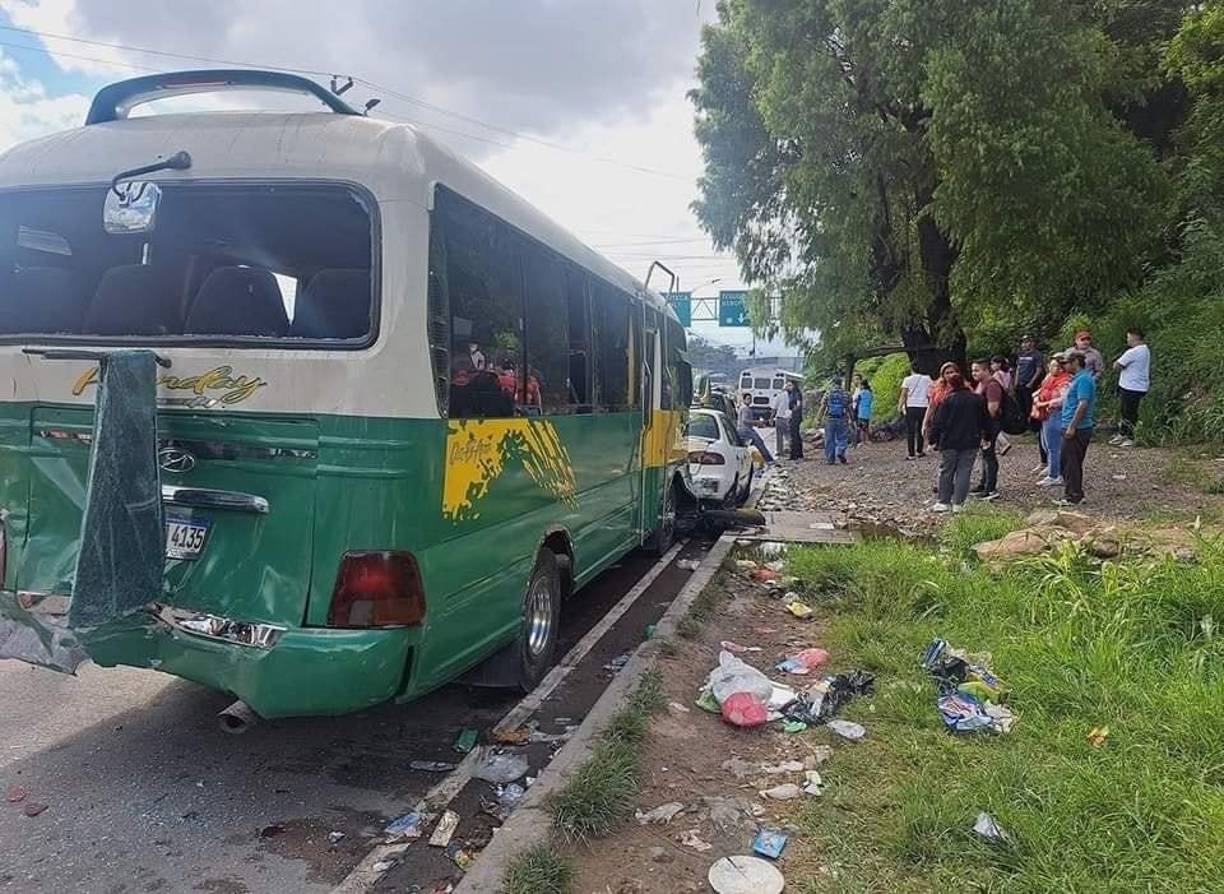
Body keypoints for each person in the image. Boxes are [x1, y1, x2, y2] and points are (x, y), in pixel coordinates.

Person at [930, 371, 986, 512]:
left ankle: (944, 502)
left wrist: (933, 439)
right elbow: (985, 420)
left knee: (946, 470)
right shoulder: (977, 399)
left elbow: (938, 422)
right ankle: (959, 504)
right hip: (971, 440)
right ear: (965, 382)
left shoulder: (948, 400)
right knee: (964, 471)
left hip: (949, 441)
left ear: (951, 385)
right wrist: (987, 436)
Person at [1059, 351, 1098, 505]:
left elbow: (1083, 404)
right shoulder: (1077, 379)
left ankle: (1074, 495)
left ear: (1075, 362)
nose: (1064, 366)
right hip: (1070, 424)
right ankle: (1072, 492)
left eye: (1066, 363)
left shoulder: (1084, 380)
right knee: (1067, 461)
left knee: (1071, 463)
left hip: (1078, 428)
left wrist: (1072, 426)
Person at [1032, 355, 1071, 487]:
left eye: (1054, 365)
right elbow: (1042, 389)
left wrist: (1046, 403)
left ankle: (1055, 475)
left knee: (1054, 446)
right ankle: (1052, 466)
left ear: (1060, 368)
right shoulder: (1049, 377)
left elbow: (1063, 399)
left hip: (1055, 414)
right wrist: (1036, 397)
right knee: (1045, 444)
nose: (1050, 367)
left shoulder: (1065, 381)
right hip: (1045, 414)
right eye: (1050, 364)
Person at [971, 358, 1003, 501]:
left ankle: (991, 488)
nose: (974, 373)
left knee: (989, 455)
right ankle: (984, 483)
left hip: (989, 425)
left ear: (985, 370)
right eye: (972, 370)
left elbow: (993, 408)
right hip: (981, 424)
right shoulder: (980, 384)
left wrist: (985, 427)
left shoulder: (992, 386)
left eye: (977, 370)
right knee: (984, 454)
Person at [1112, 327, 1150, 448]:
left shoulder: (1133, 352)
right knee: (1125, 411)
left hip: (1131, 386)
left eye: (1128, 337)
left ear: (1135, 337)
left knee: (1129, 412)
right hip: (1137, 385)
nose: (1127, 339)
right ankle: (1123, 433)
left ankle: (1130, 436)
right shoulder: (1145, 350)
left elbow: (1117, 365)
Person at [899, 362, 931, 459]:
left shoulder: (907, 380)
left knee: (910, 431)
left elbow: (904, 394)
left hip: (911, 406)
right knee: (921, 428)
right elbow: (930, 393)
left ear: (911, 369)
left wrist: (900, 406)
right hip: (923, 406)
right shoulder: (927, 378)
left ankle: (911, 453)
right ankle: (920, 451)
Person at [737, 391, 775, 465]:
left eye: (750, 399)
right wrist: (756, 422)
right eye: (748, 399)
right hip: (746, 429)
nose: (749, 400)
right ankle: (769, 460)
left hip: (744, 429)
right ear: (744, 400)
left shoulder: (744, 408)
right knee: (759, 443)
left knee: (746, 445)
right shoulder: (745, 408)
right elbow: (745, 420)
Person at [819, 377, 850, 464]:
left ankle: (830, 459)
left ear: (833, 383)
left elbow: (823, 406)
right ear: (841, 383)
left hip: (830, 418)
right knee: (842, 437)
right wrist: (852, 419)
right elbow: (849, 407)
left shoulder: (828, 393)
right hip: (842, 418)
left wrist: (818, 418)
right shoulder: (846, 394)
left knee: (829, 438)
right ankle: (840, 451)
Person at [1014, 336, 1044, 425]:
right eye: (1023, 342)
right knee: (1021, 405)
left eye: (1026, 342)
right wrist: (1016, 381)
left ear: (1032, 343)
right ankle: (1023, 424)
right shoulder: (1021, 354)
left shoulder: (1037, 355)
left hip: (1030, 384)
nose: (1024, 344)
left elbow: (1039, 369)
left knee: (1030, 405)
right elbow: (1018, 368)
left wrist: (1031, 382)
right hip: (1020, 383)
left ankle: (1033, 425)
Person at [771, 383, 791, 459]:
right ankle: (791, 449)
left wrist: (771, 418)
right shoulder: (792, 397)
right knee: (789, 435)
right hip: (789, 418)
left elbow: (774, 408)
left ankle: (779, 451)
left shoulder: (779, 396)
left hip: (780, 418)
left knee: (779, 436)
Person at [787, 380, 805, 460]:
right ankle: (798, 453)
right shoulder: (790, 394)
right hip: (793, 416)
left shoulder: (797, 394)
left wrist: (793, 410)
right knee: (795, 435)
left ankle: (795, 454)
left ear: (794, 386)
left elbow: (798, 405)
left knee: (794, 435)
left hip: (795, 417)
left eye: (790, 385)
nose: (788, 387)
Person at [855, 379, 874, 445]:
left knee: (861, 427)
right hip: (868, 410)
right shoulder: (870, 392)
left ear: (863, 385)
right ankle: (867, 440)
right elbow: (871, 401)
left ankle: (862, 441)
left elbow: (856, 400)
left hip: (861, 411)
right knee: (866, 426)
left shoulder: (861, 393)